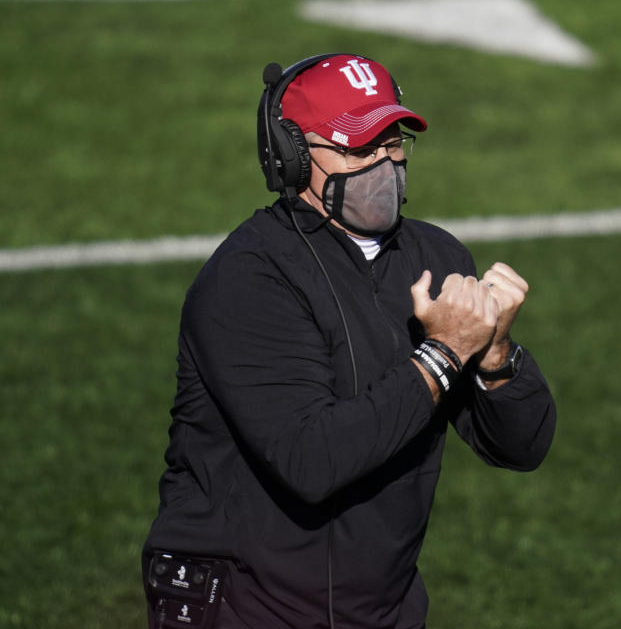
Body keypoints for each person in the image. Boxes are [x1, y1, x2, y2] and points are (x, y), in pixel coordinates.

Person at [141, 53, 557, 629]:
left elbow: (522, 448)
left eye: (394, 141)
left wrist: (494, 356)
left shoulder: (437, 260)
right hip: (244, 606)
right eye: (360, 148)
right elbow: (312, 461)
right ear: (289, 157)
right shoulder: (248, 280)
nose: (385, 164)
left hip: (380, 609)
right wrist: (443, 354)